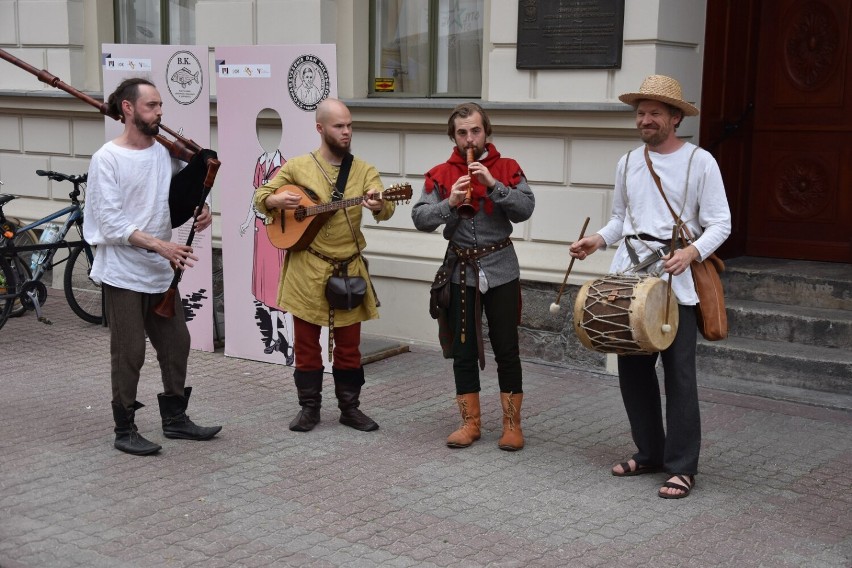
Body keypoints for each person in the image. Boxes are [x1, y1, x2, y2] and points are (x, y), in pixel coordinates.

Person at [569, 75, 731, 498]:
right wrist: (597, 240)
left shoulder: (701, 162)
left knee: (679, 375)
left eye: (654, 113)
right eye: (641, 112)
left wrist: (692, 253)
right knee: (633, 373)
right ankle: (649, 453)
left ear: (675, 118)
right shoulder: (627, 162)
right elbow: (622, 219)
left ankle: (681, 466)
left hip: (677, 281)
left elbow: (721, 223)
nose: (644, 119)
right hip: (633, 279)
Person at [85, 77, 222, 456]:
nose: (160, 112)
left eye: (161, 105)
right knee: (129, 352)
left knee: (177, 343)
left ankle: (175, 420)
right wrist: (161, 245)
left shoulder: (166, 154)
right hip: (124, 271)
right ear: (128, 109)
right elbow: (110, 223)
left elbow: (183, 196)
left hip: (160, 270)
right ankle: (124, 428)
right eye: (151, 105)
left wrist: (203, 208)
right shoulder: (107, 158)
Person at [253, 98, 396, 433]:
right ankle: (309, 409)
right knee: (305, 345)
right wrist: (275, 200)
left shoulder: (363, 171)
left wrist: (378, 204)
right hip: (307, 268)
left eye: (349, 126)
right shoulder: (298, 167)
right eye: (338, 126)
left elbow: (387, 209)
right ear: (320, 128)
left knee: (349, 347)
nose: (346, 132)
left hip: (348, 269)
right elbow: (261, 196)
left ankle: (350, 408)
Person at [412, 102, 535, 451]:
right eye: (462, 132)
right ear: (453, 135)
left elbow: (526, 209)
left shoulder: (508, 167)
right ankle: (471, 423)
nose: (470, 139)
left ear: (486, 132)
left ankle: (512, 425)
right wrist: (449, 202)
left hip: (501, 267)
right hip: (460, 269)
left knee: (507, 348)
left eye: (475, 131)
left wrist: (494, 184)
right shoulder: (439, 173)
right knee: (463, 350)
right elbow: (420, 219)